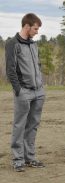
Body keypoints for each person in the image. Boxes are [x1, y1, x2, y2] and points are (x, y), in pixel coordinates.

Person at [5, 13, 45, 172]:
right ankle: (18, 159)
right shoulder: (12, 44)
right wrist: (18, 90)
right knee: (19, 125)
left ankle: (30, 157)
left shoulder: (34, 45)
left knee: (33, 125)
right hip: (23, 92)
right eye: (35, 28)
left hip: (39, 91)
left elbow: (38, 65)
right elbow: (10, 70)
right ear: (27, 26)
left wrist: (41, 85)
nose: (37, 31)